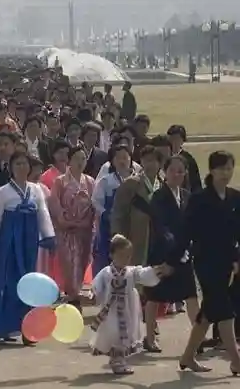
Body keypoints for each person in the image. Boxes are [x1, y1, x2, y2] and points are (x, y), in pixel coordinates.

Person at [0, 151, 55, 343]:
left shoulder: (36, 190)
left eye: (24, 164)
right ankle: (6, 326)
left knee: (30, 284)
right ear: (11, 168)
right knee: (10, 283)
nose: (22, 167)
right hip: (9, 243)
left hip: (29, 241)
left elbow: (43, 214)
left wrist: (48, 236)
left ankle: (29, 329)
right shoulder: (2, 192)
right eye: (17, 164)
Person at [179, 151, 240, 374]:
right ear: (211, 171)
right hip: (206, 263)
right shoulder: (199, 199)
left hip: (227, 264)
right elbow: (186, 232)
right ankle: (237, 361)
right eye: (221, 168)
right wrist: (173, 260)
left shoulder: (235, 197)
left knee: (208, 313)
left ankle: (187, 357)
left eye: (229, 168)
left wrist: (237, 259)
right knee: (224, 312)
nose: (226, 173)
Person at [143, 155, 198, 352]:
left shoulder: (187, 195)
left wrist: (188, 246)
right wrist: (175, 250)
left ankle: (197, 338)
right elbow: (161, 227)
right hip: (162, 255)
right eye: (173, 170)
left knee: (191, 296)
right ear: (165, 172)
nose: (177, 174)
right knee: (155, 297)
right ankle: (150, 338)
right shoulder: (158, 197)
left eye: (181, 171)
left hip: (184, 255)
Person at [90, 234, 166, 375]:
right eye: (122, 255)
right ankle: (117, 361)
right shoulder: (106, 273)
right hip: (111, 311)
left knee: (125, 334)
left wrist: (156, 271)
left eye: (128, 256)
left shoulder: (131, 272)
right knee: (114, 333)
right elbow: (97, 287)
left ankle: (118, 361)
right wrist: (92, 294)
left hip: (127, 310)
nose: (125, 259)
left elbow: (143, 274)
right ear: (112, 255)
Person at [48, 144, 95, 305]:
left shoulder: (89, 181)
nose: (80, 162)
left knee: (81, 262)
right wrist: (64, 221)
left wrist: (85, 222)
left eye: (83, 159)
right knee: (68, 263)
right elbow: (55, 204)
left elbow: (92, 207)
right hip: (66, 231)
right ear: (69, 161)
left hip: (84, 231)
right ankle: (72, 297)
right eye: (76, 159)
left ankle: (76, 294)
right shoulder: (60, 182)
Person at [111, 145, 163, 266]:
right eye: (146, 160)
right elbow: (119, 212)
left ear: (159, 163)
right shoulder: (131, 184)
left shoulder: (162, 185)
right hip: (136, 237)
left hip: (158, 238)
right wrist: (118, 235)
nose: (149, 164)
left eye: (153, 160)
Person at [92, 144, 134, 276]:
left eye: (125, 158)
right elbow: (96, 201)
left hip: (132, 224)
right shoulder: (106, 181)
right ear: (112, 161)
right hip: (109, 225)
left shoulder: (137, 180)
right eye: (118, 158)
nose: (122, 161)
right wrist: (105, 214)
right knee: (106, 255)